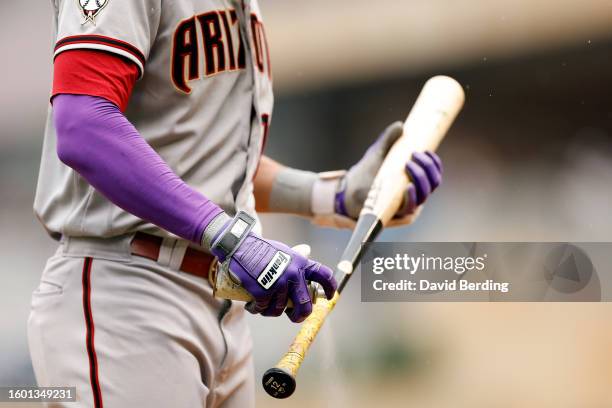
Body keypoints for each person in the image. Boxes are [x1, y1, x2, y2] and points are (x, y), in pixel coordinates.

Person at [28, 0, 443, 406]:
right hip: (126, 297)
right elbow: (84, 125)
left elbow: (208, 162)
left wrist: (331, 196)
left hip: (222, 303)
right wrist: (231, 238)